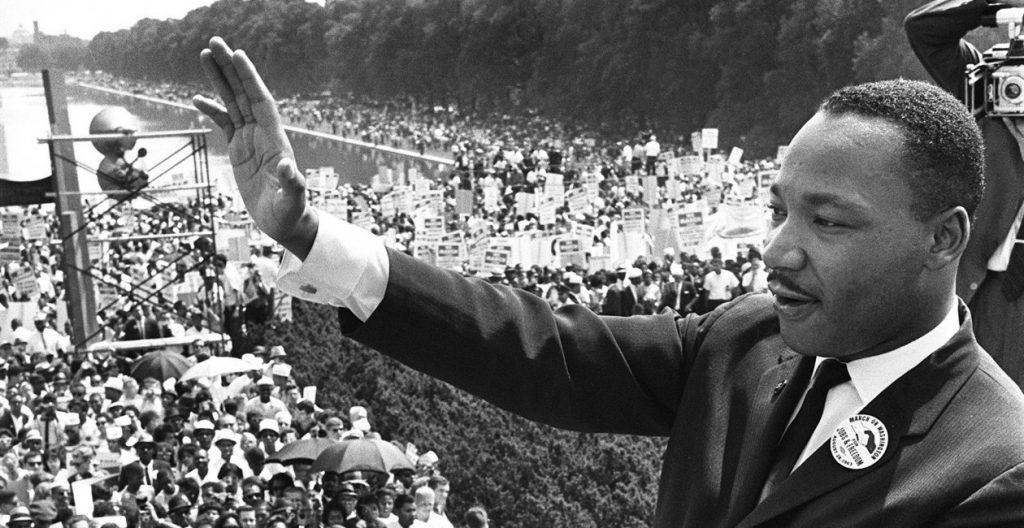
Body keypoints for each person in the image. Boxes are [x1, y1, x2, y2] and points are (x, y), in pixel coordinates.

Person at [194, 37, 1024, 525]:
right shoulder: (745, 340)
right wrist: (307, 234)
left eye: (828, 222)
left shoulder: (996, 467)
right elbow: (541, 348)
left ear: (944, 239)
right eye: (778, 211)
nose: (778, 250)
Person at [905, 0, 1024, 389]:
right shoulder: (986, 84)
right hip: (987, 288)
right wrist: (993, 8)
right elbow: (924, 30)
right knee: (975, 400)